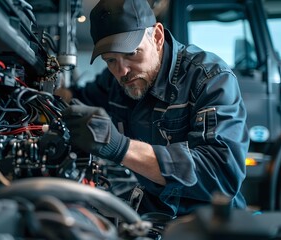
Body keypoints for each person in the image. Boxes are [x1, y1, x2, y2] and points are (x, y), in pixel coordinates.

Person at [58, 0, 249, 217]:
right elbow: (77, 97)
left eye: (131, 53)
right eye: (110, 60)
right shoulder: (115, 82)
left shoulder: (209, 78)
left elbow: (221, 177)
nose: (122, 71)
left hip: (205, 222)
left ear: (157, 36)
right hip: (149, 214)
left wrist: (121, 147)